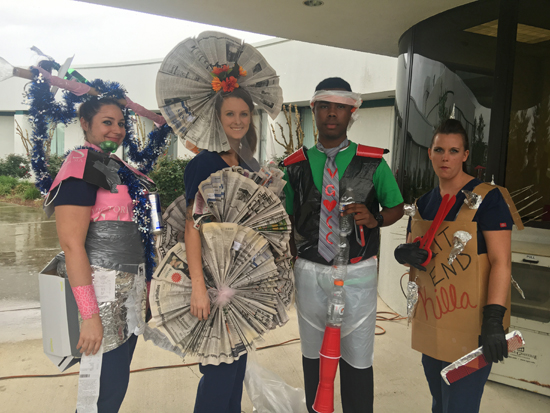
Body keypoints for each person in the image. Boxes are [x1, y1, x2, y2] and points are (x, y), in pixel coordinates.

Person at [283, 77, 404, 413]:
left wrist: (376, 218)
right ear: (314, 110)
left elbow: (396, 208)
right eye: (324, 106)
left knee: (358, 355)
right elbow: (286, 218)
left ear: (352, 112)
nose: (331, 113)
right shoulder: (294, 166)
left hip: (358, 270)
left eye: (339, 107)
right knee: (311, 352)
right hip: (309, 268)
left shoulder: (373, 162)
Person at [394, 119, 513, 413]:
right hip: (434, 320)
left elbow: (501, 261)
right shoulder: (423, 204)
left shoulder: (488, 199)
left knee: (460, 406)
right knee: (439, 403)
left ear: (465, 155)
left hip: (473, 328)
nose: (445, 157)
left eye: (453, 150)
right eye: (439, 149)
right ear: (430, 154)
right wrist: (402, 252)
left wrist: (494, 319)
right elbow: (414, 253)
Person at [47, 97, 155, 412]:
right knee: (100, 392)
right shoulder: (80, 167)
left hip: (129, 294)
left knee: (115, 384)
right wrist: (91, 317)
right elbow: (71, 244)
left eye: (121, 123)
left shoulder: (117, 166)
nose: (117, 130)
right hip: (102, 296)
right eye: (107, 122)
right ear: (85, 123)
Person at [184, 87, 258, 413]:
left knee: (236, 367)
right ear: (217, 118)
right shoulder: (204, 164)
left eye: (243, 113)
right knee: (219, 370)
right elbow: (192, 226)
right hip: (215, 279)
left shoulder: (249, 162)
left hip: (242, 277)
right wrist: (199, 286)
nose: (237, 120)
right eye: (229, 113)